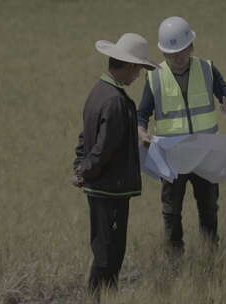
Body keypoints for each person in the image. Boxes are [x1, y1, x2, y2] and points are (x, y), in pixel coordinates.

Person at [137, 17, 226, 256]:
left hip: (205, 155)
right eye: (171, 54)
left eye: (182, 52)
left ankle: (210, 254)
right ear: (162, 51)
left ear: (191, 47)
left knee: (208, 208)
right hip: (172, 158)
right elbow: (141, 114)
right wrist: (141, 132)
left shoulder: (207, 69)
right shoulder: (154, 77)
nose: (177, 58)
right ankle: (175, 259)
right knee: (171, 211)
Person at [72, 33, 159, 296]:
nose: (138, 76)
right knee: (109, 254)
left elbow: (85, 139)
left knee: (103, 249)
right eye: (140, 70)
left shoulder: (98, 92)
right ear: (130, 66)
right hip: (110, 189)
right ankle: (98, 298)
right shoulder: (116, 101)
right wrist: (84, 170)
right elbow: (103, 149)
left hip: (102, 187)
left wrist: (79, 165)